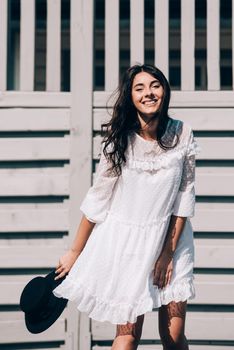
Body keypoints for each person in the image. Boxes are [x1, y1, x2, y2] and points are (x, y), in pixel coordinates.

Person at [53, 64, 200, 350]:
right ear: (130, 97)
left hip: (173, 241)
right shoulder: (118, 141)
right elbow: (98, 199)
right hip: (131, 247)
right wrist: (74, 252)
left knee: (173, 335)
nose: (149, 93)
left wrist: (166, 254)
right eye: (140, 88)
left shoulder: (183, 133)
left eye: (155, 85)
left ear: (165, 90)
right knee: (128, 336)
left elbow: (185, 194)